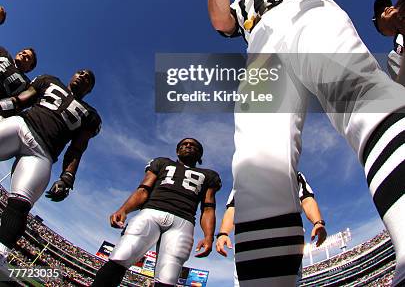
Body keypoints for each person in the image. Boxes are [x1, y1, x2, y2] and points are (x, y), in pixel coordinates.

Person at [208, 0, 405, 285]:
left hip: (306, 12)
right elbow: (220, 21)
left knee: (357, 93)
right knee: (257, 159)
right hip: (261, 44)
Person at [0, 69, 101, 270]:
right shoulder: (49, 80)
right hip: (21, 125)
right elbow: (22, 100)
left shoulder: (90, 115)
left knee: (21, 203)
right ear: (72, 74)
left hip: (42, 153)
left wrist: (67, 178)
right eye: (80, 72)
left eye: (88, 77)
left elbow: (76, 149)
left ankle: (1, 252)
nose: (82, 76)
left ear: (89, 89)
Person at [92, 138, 221, 286]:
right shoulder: (162, 162)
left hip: (183, 222)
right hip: (151, 213)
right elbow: (143, 189)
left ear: (200, 156)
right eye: (184, 144)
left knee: (167, 278)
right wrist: (124, 209)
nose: (189, 146)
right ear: (177, 151)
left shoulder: (210, 175)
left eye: (194, 146)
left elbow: (208, 207)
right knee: (120, 258)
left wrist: (209, 236)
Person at [216, 172, 327, 286]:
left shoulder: (292, 172)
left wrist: (318, 222)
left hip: (285, 239)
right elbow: (233, 208)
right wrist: (223, 233)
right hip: (249, 242)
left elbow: (306, 199)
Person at [373, 0, 405, 86]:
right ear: (384, 31)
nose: (387, 8)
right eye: (380, 11)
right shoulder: (394, 55)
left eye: (388, 5)